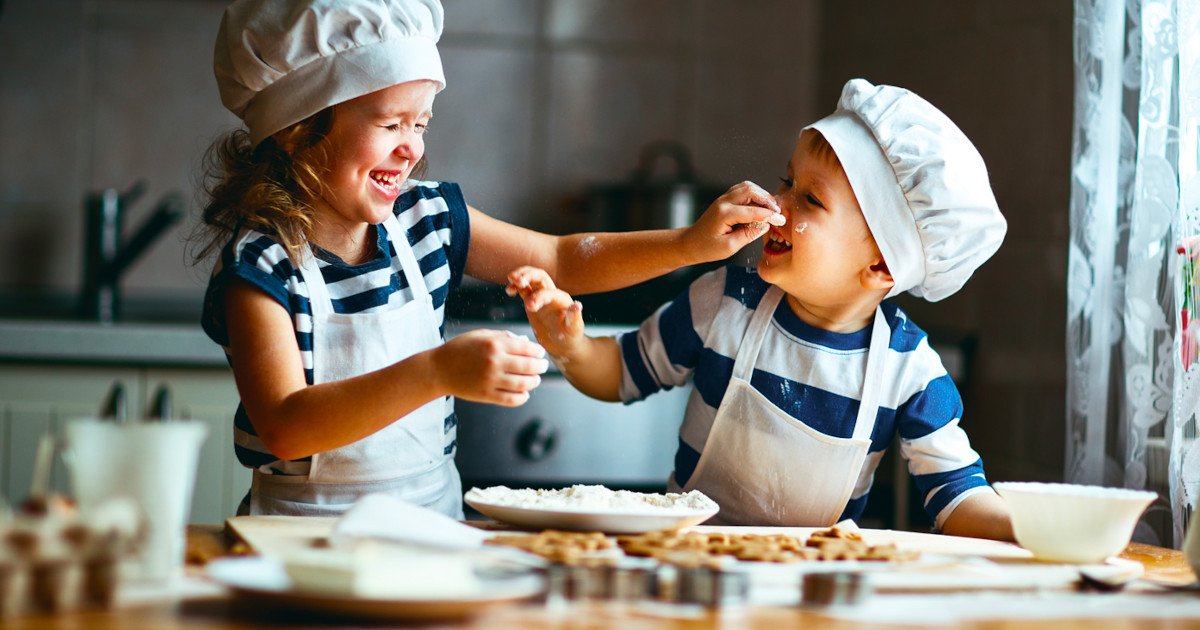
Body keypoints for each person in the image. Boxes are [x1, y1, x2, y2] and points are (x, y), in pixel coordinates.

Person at [193, 0, 785, 519]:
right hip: (298, 543)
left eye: (421, 123)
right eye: (391, 122)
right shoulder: (262, 266)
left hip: (431, 531)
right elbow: (285, 425)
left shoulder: (427, 220)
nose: (412, 145)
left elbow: (562, 257)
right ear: (299, 130)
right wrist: (436, 371)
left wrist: (691, 245)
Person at [509, 78, 1014, 541]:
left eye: (810, 200)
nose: (777, 204)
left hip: (811, 588)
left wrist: (1031, 528)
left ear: (882, 263)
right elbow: (620, 373)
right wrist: (570, 345)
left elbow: (958, 497)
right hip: (688, 566)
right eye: (786, 181)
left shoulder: (910, 370)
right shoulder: (724, 301)